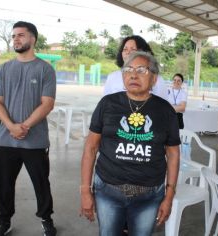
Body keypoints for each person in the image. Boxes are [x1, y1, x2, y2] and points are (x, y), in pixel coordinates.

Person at [80, 51, 180, 236]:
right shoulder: (107, 104)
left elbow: (173, 153)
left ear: (154, 79)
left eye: (142, 70)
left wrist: (169, 195)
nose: (133, 75)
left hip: (149, 196)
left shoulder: (165, 111)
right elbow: (91, 147)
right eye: (128, 70)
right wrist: (85, 191)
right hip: (107, 191)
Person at [0, 21, 57, 236]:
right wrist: (11, 126)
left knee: (41, 184)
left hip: (35, 140)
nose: (16, 39)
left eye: (21, 35)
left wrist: (25, 126)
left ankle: (46, 218)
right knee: (4, 185)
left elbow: (47, 103)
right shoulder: (4, 69)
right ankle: (4, 221)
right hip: (5, 139)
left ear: (33, 39)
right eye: (13, 36)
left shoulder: (45, 69)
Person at [103, 35, 168, 100]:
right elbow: (106, 104)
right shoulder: (112, 77)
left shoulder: (156, 79)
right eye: (125, 49)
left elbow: (162, 105)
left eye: (133, 49)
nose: (128, 52)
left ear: (143, 52)